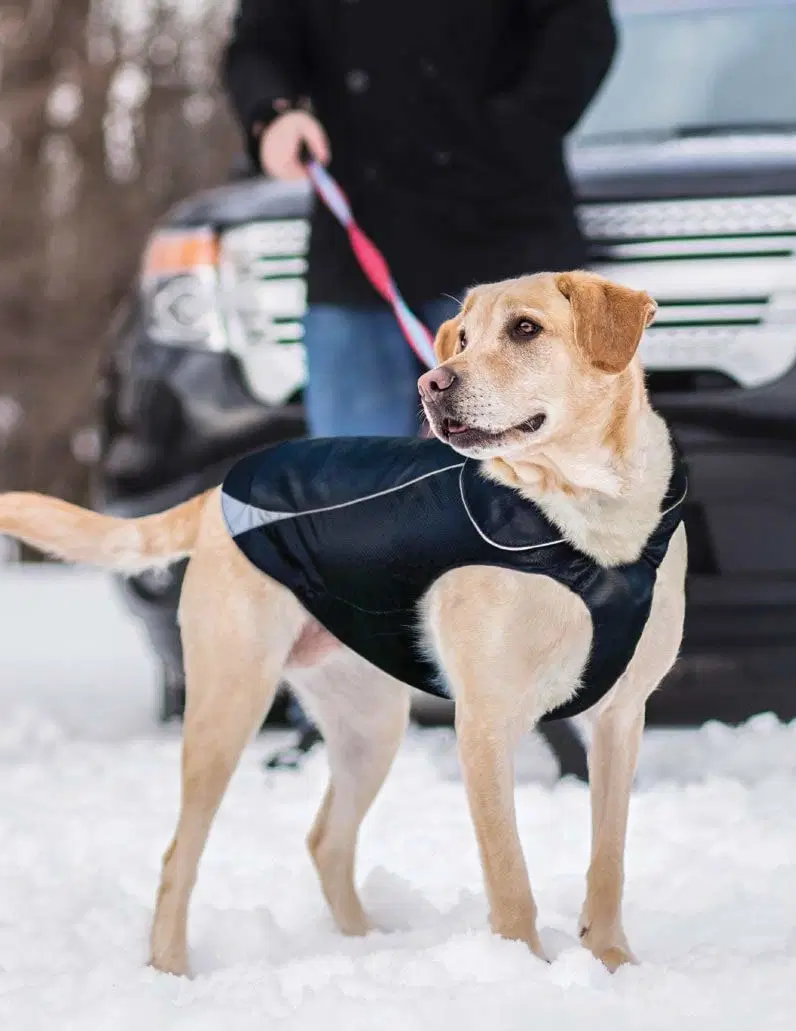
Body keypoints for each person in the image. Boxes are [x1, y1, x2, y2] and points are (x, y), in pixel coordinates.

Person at [223, 0, 617, 776]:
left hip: (504, 240)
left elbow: (581, 31)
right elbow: (261, 43)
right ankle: (343, 697)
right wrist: (273, 114)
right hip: (358, 237)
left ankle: (554, 694)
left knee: (528, 486)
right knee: (349, 489)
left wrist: (506, 134)